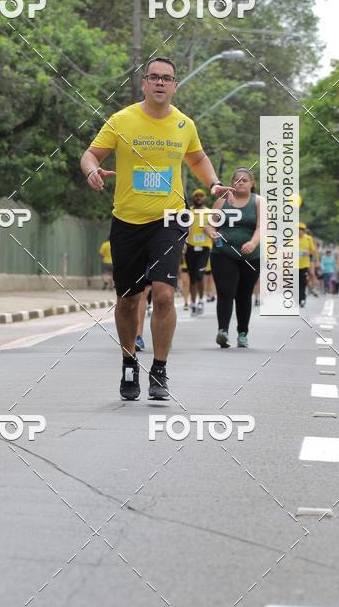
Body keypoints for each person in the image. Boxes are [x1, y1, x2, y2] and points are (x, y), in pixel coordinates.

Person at [80, 56, 233, 401]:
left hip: (170, 219)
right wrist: (91, 170)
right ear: (144, 83)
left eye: (167, 78)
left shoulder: (184, 124)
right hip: (127, 221)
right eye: (154, 77)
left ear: (175, 86)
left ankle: (160, 369)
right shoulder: (121, 120)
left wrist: (212, 183)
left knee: (163, 294)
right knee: (127, 300)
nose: (160, 82)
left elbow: (197, 158)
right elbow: (90, 154)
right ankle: (129, 363)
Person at [207, 167, 261, 348]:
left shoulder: (258, 201)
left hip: (250, 255)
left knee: (244, 294)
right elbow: (209, 225)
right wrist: (212, 233)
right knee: (225, 291)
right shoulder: (222, 201)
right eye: (237, 180)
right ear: (231, 184)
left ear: (251, 183)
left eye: (244, 180)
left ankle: (242, 333)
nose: (240, 183)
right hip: (223, 253)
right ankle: (222, 331)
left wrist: (253, 242)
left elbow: (262, 227)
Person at [185, 188, 213, 315]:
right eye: (196, 196)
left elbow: (214, 228)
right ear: (193, 198)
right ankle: (193, 302)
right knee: (192, 278)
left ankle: (201, 299)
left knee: (200, 276)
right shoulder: (188, 212)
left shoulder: (209, 212)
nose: (199, 198)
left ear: (204, 198)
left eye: (201, 196)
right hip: (190, 248)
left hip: (204, 248)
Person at [298, 223, 317, 306]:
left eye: (301, 230)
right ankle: (298, 298)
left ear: (303, 231)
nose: (299, 231)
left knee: (303, 282)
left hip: (304, 264)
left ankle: (302, 298)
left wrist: (307, 252)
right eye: (298, 230)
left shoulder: (308, 238)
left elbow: (313, 250)